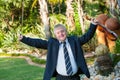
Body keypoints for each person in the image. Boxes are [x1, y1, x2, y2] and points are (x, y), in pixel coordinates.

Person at [19, 19, 98, 80]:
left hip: (75, 77)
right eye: (58, 33)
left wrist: (93, 25)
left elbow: (87, 36)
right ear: (55, 35)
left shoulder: (74, 41)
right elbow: (37, 42)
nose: (61, 34)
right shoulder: (52, 44)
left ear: (66, 32)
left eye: (62, 31)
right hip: (60, 78)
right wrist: (24, 39)